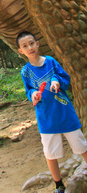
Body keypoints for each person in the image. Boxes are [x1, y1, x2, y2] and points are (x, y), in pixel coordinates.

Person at [16, 31, 87, 193]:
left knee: (81, 145)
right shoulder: (25, 71)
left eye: (31, 43)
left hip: (65, 112)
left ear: (37, 43)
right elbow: (29, 91)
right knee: (50, 153)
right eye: (25, 46)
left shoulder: (51, 61)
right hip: (46, 117)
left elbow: (66, 79)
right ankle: (58, 184)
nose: (30, 47)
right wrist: (32, 94)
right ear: (21, 51)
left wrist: (57, 81)